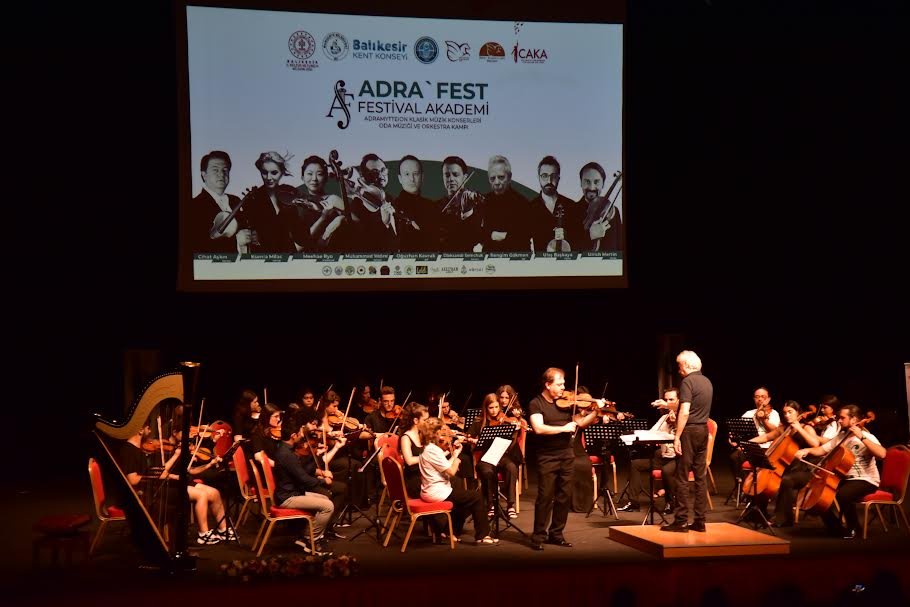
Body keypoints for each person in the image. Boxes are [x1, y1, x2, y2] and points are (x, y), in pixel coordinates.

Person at [121, 421, 232, 545]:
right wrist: (171, 466)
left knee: (214, 492)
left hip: (172, 480)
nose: (151, 431)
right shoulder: (137, 450)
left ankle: (224, 530)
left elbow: (188, 470)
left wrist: (209, 463)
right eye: (148, 428)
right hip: (159, 486)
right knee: (201, 495)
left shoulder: (151, 448)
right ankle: (203, 534)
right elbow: (142, 477)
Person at [528, 367, 601, 550]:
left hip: (567, 455)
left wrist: (596, 412)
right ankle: (538, 536)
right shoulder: (536, 404)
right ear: (548, 384)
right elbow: (538, 428)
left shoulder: (566, 404)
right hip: (547, 457)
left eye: (564, 384)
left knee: (564, 497)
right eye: (559, 384)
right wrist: (563, 428)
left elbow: (580, 422)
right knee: (545, 497)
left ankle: (556, 534)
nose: (563, 388)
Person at [794, 404, 886, 539]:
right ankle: (836, 529)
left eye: (843, 418)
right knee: (820, 498)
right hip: (845, 479)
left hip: (866, 480)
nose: (839, 420)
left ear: (854, 419)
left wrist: (862, 437)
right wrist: (806, 450)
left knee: (843, 495)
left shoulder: (867, 436)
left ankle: (855, 528)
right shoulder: (841, 436)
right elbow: (822, 450)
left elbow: (882, 454)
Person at [418, 417, 498, 545]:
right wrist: (456, 460)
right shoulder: (432, 450)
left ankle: (449, 532)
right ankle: (482, 536)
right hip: (436, 493)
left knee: (464, 501)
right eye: (442, 431)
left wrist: (455, 453)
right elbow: (451, 472)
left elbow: (444, 466)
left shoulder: (430, 448)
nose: (445, 434)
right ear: (435, 433)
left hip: (433, 490)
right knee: (476, 497)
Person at [744, 400, 820, 528]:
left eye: (790, 412)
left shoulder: (807, 428)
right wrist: (747, 442)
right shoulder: (784, 429)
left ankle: (783, 518)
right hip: (787, 467)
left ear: (798, 413)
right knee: (763, 477)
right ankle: (758, 512)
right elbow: (766, 437)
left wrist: (798, 428)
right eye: (785, 413)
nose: (787, 415)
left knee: (786, 480)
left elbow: (815, 444)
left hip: (803, 469)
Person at [661, 350, 713, 533]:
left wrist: (677, 436)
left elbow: (684, 411)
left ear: (687, 364)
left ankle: (681, 520)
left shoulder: (688, 382)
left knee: (682, 476)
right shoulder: (706, 381)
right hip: (703, 430)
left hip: (689, 431)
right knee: (700, 477)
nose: (678, 369)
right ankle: (700, 521)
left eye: (679, 365)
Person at [272, 420, 335, 554]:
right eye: (300, 433)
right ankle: (310, 539)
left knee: (324, 498)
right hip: (287, 498)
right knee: (328, 506)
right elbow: (304, 479)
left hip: (292, 493)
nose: (302, 436)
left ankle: (305, 536)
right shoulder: (286, 454)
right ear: (293, 436)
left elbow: (301, 473)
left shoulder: (286, 449)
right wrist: (323, 481)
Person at [618, 388, 680, 513]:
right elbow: (652, 433)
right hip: (663, 456)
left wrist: (675, 423)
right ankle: (633, 502)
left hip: (678, 457)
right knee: (635, 464)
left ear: (679, 401)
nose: (667, 402)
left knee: (666, 471)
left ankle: (670, 503)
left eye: (671, 400)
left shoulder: (685, 417)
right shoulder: (664, 418)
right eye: (666, 399)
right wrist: (635, 434)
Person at [466, 393, 522, 519]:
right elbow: (468, 436)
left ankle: (510, 505)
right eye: (491, 408)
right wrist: (474, 440)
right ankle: (490, 505)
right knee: (487, 472)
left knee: (511, 468)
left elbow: (512, 443)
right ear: (486, 408)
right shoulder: (479, 422)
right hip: (486, 456)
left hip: (501, 455)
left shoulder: (505, 420)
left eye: (497, 407)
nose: (494, 410)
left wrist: (516, 430)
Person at [188, 150, 254, 254]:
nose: (222, 174)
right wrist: (235, 242)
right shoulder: (193, 206)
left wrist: (252, 237)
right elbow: (197, 245)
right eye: (215, 170)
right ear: (204, 175)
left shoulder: (236, 200)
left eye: (225, 170)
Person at [287, 155, 348, 251]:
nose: (314, 178)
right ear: (302, 177)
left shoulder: (333, 199)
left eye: (319, 174)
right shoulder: (297, 205)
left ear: (326, 178)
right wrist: (323, 217)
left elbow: (357, 227)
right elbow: (298, 247)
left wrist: (341, 219)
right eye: (309, 174)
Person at [527, 156, 585, 252]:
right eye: (544, 176)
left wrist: (568, 235)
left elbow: (581, 242)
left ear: (558, 178)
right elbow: (523, 241)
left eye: (553, 176)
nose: (549, 181)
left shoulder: (572, 206)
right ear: (538, 178)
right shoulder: (529, 208)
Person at [244, 151, 297, 253]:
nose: (268, 178)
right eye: (264, 172)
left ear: (282, 172)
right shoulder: (252, 198)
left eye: (274, 173)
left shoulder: (290, 193)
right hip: (264, 255)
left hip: (289, 254)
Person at [730, 387, 780, 481]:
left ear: (769, 399)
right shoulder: (748, 413)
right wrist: (734, 438)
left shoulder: (774, 413)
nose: (760, 399)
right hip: (750, 447)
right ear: (754, 399)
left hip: (767, 447)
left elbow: (775, 432)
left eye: (763, 397)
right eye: (757, 397)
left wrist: (764, 420)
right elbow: (739, 431)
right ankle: (741, 486)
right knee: (734, 457)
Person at [482, 155, 528, 252]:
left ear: (509, 177)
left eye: (501, 177)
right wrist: (507, 235)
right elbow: (477, 234)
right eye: (492, 178)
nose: (496, 182)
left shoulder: (523, 203)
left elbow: (523, 236)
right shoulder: (483, 201)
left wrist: (493, 235)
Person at [437, 156, 484, 251]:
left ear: (465, 177)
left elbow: (477, 237)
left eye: (455, 175)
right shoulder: (437, 206)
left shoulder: (474, 203)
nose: (450, 179)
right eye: (447, 175)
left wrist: (468, 212)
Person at [394, 155, 438, 251]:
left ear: (422, 177)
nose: (412, 179)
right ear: (400, 178)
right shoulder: (393, 206)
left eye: (416, 174)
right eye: (407, 174)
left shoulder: (431, 206)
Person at [579, 162, 623, 251]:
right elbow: (569, 251)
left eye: (596, 182)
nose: (592, 187)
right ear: (581, 183)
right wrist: (590, 236)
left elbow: (620, 247)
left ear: (603, 184)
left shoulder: (613, 211)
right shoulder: (571, 210)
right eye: (587, 181)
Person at [399, 402, 430, 497]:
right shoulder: (406, 438)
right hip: (414, 480)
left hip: (425, 475)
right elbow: (409, 461)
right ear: (416, 420)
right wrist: (428, 457)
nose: (428, 423)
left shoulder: (422, 435)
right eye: (425, 420)